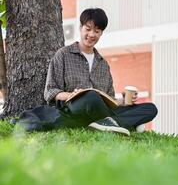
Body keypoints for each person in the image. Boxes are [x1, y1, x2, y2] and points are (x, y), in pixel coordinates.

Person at [43, 8, 158, 136]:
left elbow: (111, 100)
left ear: (101, 33)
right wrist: (72, 95)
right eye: (88, 29)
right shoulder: (63, 55)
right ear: (80, 28)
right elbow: (50, 91)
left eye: (97, 31)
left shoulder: (103, 64)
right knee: (91, 96)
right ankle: (123, 123)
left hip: (101, 110)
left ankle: (108, 123)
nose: (92, 34)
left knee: (150, 108)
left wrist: (124, 101)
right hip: (74, 108)